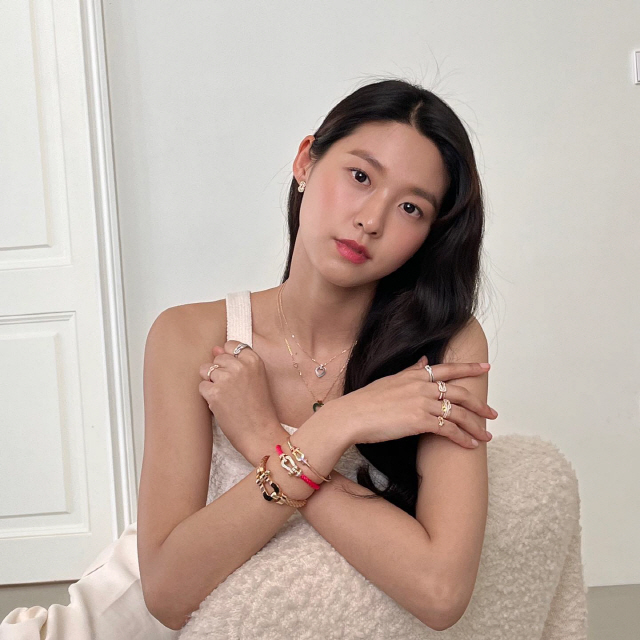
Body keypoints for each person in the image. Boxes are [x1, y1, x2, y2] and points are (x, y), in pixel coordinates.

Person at [2, 78, 499, 639]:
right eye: (360, 176)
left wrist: (276, 433)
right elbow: (166, 593)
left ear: (431, 234)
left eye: (411, 207)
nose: (372, 219)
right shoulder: (192, 337)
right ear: (306, 161)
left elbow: (440, 592)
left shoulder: (444, 348)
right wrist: (332, 431)